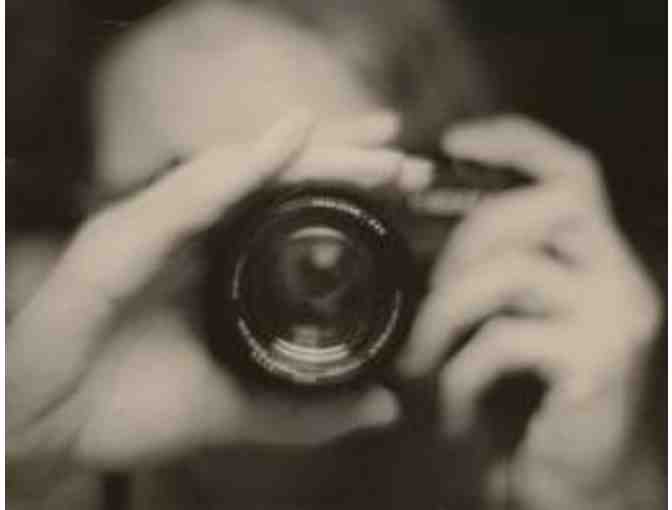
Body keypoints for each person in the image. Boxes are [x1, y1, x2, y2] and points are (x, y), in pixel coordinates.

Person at [7, 0, 664, 508]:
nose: (270, 257)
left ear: (440, 211)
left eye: (323, 196)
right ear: (83, 229)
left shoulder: (527, 462)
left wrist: (596, 494)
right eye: (181, 196)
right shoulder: (35, 460)